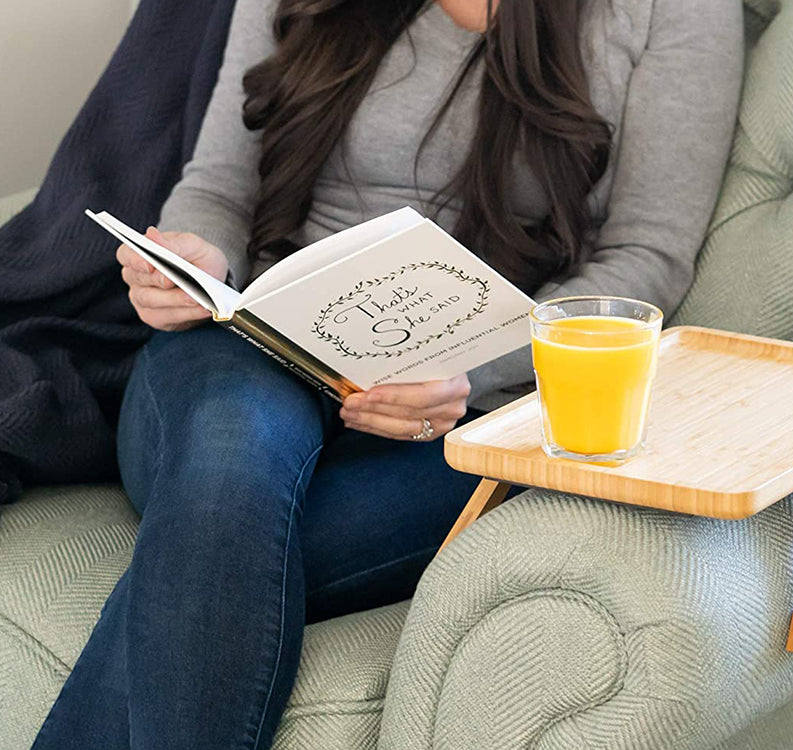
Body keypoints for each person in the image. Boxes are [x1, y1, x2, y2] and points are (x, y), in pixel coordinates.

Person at [31, 0, 743, 747]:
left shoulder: (674, 11)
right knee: (226, 459)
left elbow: (647, 255)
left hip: (473, 405)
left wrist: (465, 359)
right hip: (255, 347)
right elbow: (217, 186)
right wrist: (201, 260)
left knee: (213, 537)